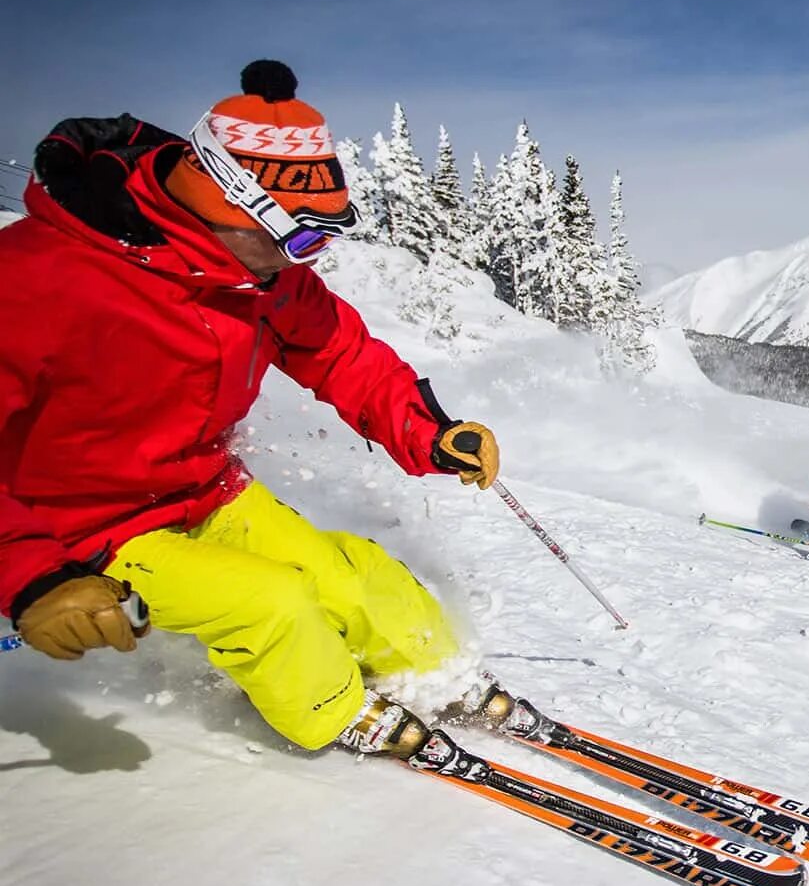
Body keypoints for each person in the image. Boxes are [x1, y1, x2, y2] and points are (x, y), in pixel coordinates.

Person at [0, 60, 498, 761]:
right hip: (84, 530)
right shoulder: (36, 277)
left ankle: (437, 670)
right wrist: (32, 578)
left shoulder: (259, 273)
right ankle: (335, 712)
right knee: (271, 604)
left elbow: (338, 351)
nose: (310, 259)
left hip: (206, 492)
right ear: (229, 205)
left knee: (351, 574)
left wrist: (430, 432)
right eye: (301, 237)